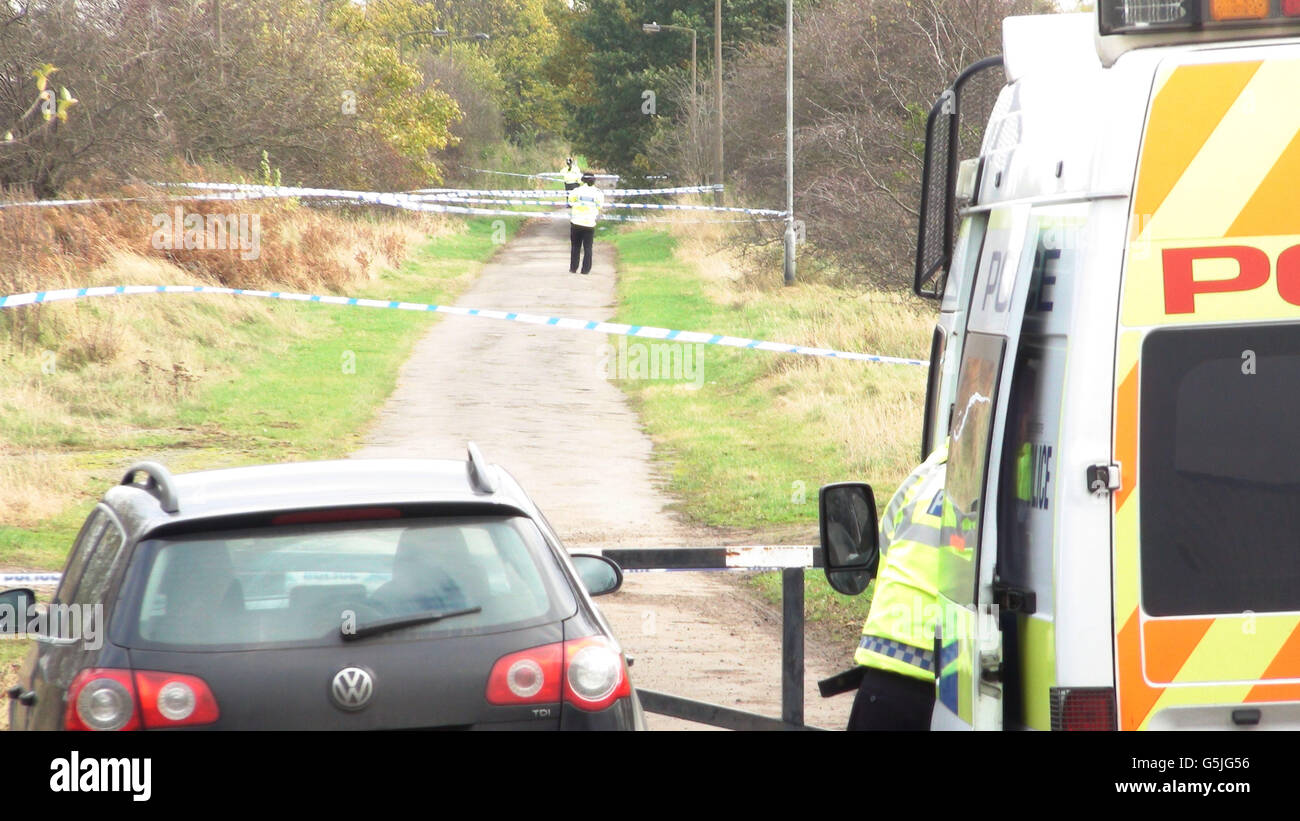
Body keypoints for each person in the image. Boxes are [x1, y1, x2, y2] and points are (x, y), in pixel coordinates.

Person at [844, 441, 948, 731]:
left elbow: (882, 555)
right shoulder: (1005, 474)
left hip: (885, 666)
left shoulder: (926, 473)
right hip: (956, 669)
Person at [568, 171, 604, 275]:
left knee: (575, 246)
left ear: (582, 180)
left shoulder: (576, 191)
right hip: (589, 223)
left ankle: (573, 268)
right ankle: (586, 270)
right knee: (588, 248)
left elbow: (570, 202)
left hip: (576, 222)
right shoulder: (598, 193)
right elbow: (599, 206)